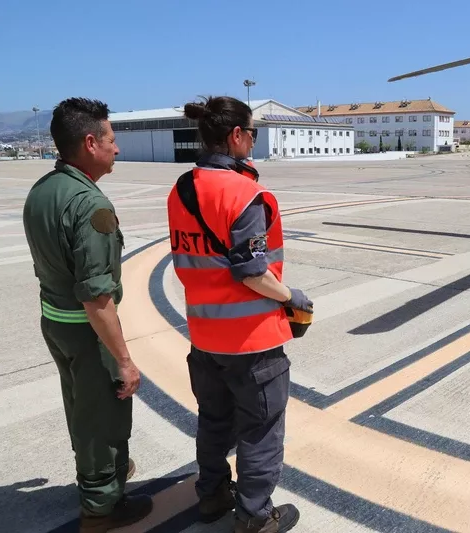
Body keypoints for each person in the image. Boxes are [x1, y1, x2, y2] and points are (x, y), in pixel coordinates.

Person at [166, 95, 313, 533]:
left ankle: (211, 496)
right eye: (251, 133)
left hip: (203, 334)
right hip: (252, 340)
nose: (253, 140)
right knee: (260, 430)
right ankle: (253, 515)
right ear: (235, 136)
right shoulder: (246, 194)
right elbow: (252, 272)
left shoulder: (182, 189)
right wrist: (292, 297)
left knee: (213, 420)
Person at [22, 98, 153, 532]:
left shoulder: (43, 190)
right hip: (86, 330)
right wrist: (124, 360)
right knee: (103, 417)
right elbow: (97, 298)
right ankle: (100, 509)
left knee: (79, 408)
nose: (117, 149)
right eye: (112, 141)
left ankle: (102, 478)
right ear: (90, 142)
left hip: (55, 322)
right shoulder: (90, 205)